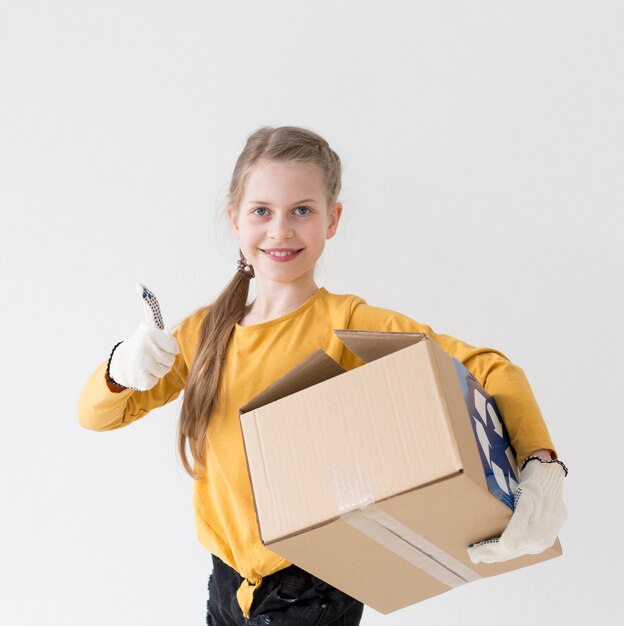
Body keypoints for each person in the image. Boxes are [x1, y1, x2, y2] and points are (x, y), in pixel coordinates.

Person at [77, 126, 568, 625]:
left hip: (314, 584)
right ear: (235, 220)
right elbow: (96, 417)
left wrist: (541, 462)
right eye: (261, 211)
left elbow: (490, 368)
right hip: (227, 581)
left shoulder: (348, 322)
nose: (280, 230)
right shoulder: (203, 332)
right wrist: (120, 368)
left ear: (332, 220)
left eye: (302, 211)